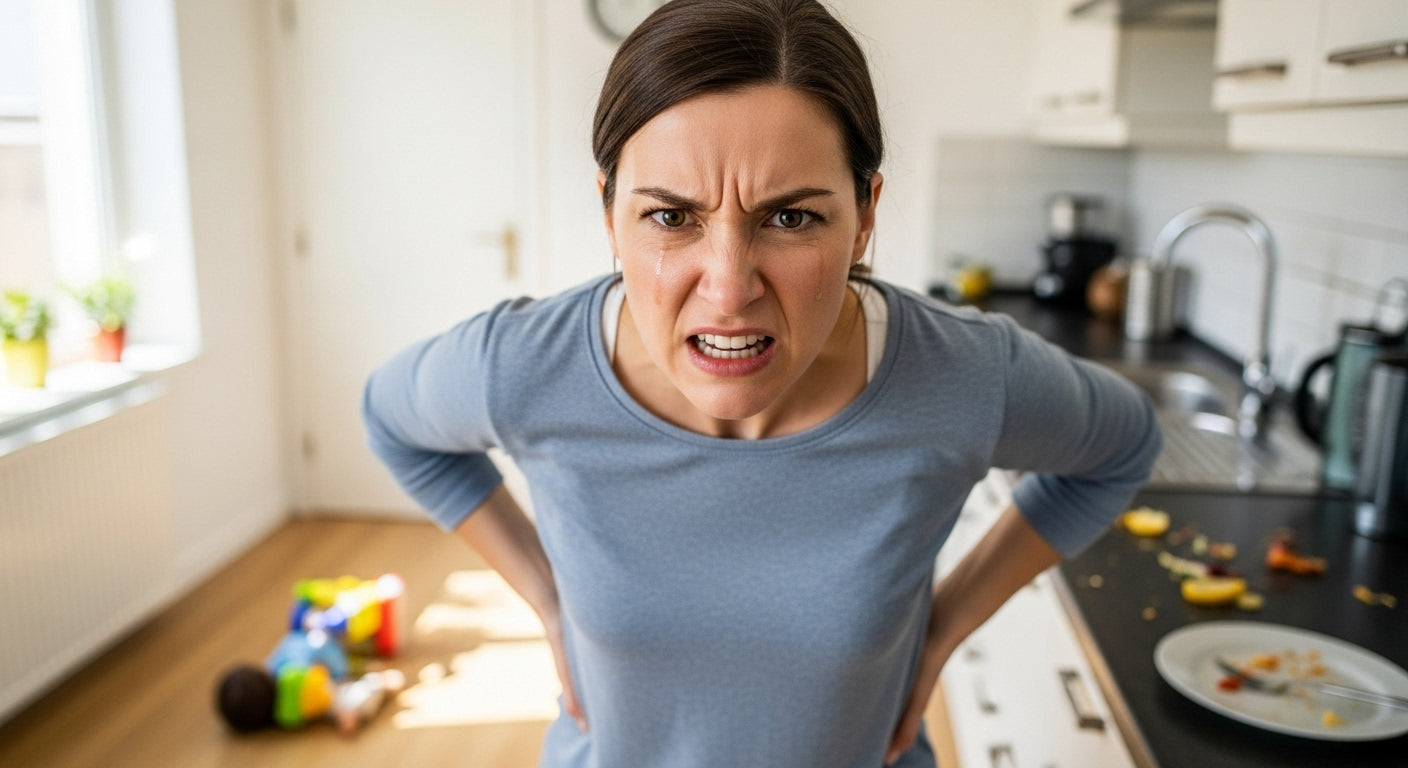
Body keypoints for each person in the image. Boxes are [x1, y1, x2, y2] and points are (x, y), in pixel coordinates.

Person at [362, 1, 1161, 765]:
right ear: (609, 214)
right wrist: (546, 596)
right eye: (671, 217)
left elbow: (1123, 446)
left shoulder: (964, 376)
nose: (728, 288)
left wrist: (942, 631)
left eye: (790, 218)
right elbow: (392, 422)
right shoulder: (526, 368)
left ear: (865, 214)